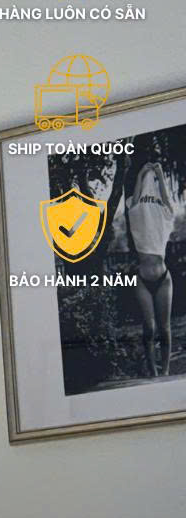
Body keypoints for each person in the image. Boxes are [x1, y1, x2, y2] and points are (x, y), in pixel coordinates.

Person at [107, 143, 178, 377]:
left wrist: (159, 174)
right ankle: (153, 371)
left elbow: (167, 201)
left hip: (163, 278)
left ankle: (165, 371)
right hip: (142, 279)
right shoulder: (136, 208)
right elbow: (135, 200)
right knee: (149, 327)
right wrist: (140, 174)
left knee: (165, 328)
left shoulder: (163, 212)